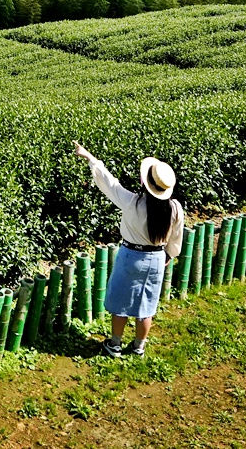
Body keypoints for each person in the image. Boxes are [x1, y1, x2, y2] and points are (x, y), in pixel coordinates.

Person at [73, 141, 184, 357]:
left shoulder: (133, 202)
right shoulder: (175, 209)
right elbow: (176, 238)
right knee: (147, 305)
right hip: (156, 258)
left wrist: (89, 157)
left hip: (130, 255)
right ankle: (139, 347)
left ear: (145, 182)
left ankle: (114, 344)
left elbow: (109, 183)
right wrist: (168, 255)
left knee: (122, 302)